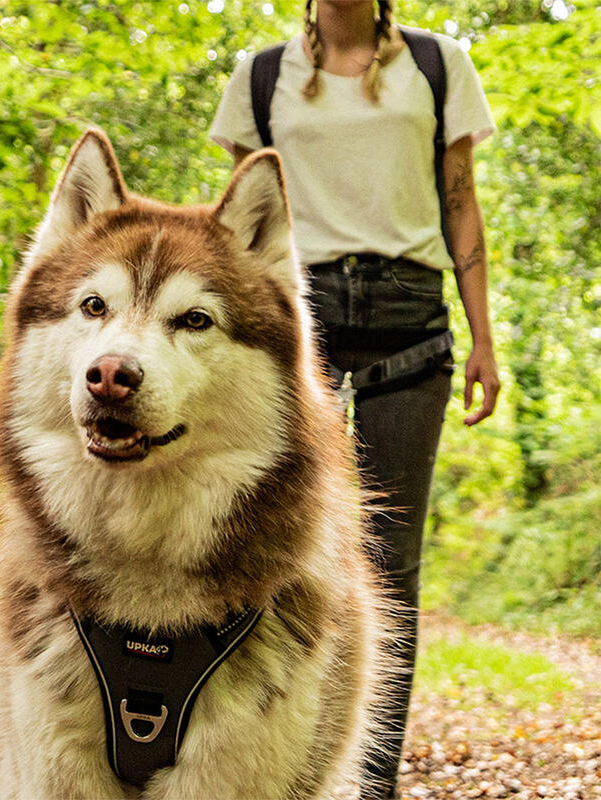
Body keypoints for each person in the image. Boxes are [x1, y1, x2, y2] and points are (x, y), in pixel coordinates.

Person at [210, 1, 501, 797]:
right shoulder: (262, 75)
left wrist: (483, 337)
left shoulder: (438, 67)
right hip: (295, 322)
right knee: (274, 548)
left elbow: (461, 201)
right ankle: (263, 763)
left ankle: (371, 784)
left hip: (412, 317)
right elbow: (241, 231)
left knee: (391, 567)